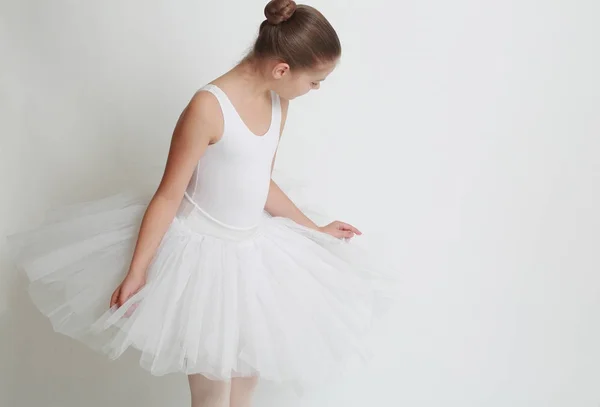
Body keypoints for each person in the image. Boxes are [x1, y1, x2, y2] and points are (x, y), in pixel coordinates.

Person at [8, 1, 394, 406]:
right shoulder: (208, 108)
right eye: (315, 81)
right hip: (202, 264)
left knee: (244, 386)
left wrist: (311, 229)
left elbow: (260, 181)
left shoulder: (279, 102)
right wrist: (138, 271)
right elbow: (168, 194)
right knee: (212, 397)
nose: (314, 90)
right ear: (283, 69)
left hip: (254, 259)